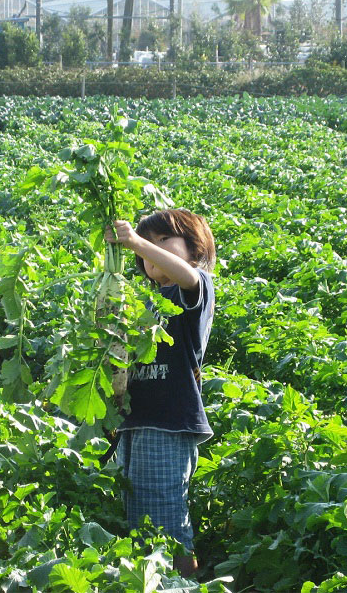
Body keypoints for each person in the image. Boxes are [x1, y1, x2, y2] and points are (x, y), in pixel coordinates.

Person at [104, 209, 216, 578]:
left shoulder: (194, 289)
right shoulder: (143, 303)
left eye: (163, 241)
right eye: (145, 250)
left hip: (168, 422)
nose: (150, 253)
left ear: (195, 248)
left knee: (165, 517)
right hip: (136, 420)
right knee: (139, 512)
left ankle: (182, 583)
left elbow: (188, 277)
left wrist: (134, 241)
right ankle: (152, 581)